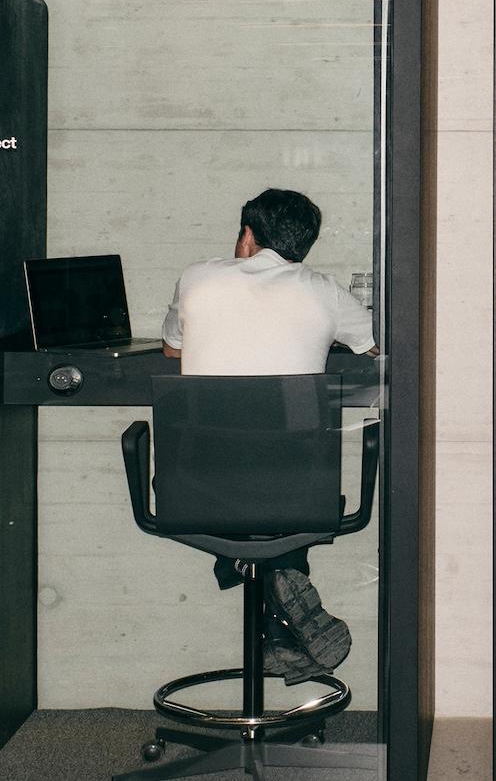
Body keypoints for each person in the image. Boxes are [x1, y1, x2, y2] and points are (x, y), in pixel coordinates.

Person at [162, 187, 377, 685]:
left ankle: (271, 608)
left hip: (195, 487)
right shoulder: (322, 289)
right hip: (298, 491)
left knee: (234, 499)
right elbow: (376, 347)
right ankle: (281, 592)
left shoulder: (196, 277)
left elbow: (173, 351)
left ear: (247, 236)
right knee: (276, 493)